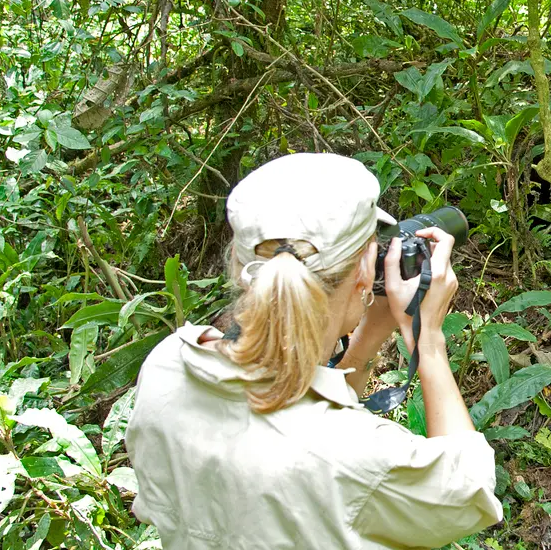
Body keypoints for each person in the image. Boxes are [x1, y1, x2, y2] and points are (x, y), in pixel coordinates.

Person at [126, 152, 503, 549]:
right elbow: (469, 491)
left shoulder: (166, 367)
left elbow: (296, 400)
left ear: (239, 265)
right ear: (364, 271)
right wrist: (428, 342)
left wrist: (368, 334)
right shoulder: (353, 457)